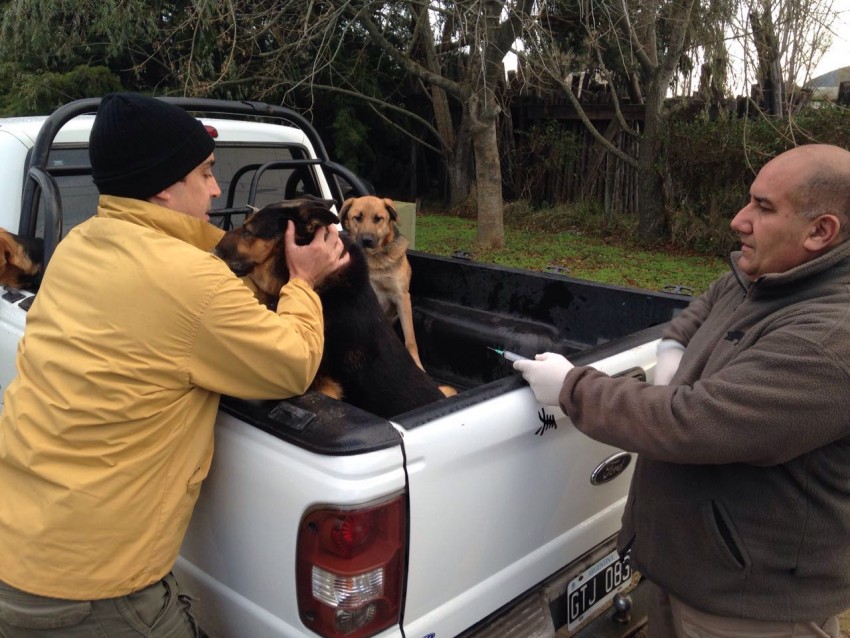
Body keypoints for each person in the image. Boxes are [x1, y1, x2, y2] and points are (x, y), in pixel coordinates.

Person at [0, 93, 349, 636]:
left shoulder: (79, 245)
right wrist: (303, 284)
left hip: (18, 543)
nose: (216, 188)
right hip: (93, 590)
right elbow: (292, 363)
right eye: (207, 173)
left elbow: (187, 264)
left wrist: (250, 247)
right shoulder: (191, 283)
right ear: (165, 186)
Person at [514, 143, 850, 638]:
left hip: (749, 608)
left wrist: (572, 386)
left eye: (763, 207)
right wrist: (672, 350)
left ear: (821, 231)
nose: (739, 221)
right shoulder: (761, 275)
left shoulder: (828, 339)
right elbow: (705, 305)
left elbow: (692, 425)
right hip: (687, 571)